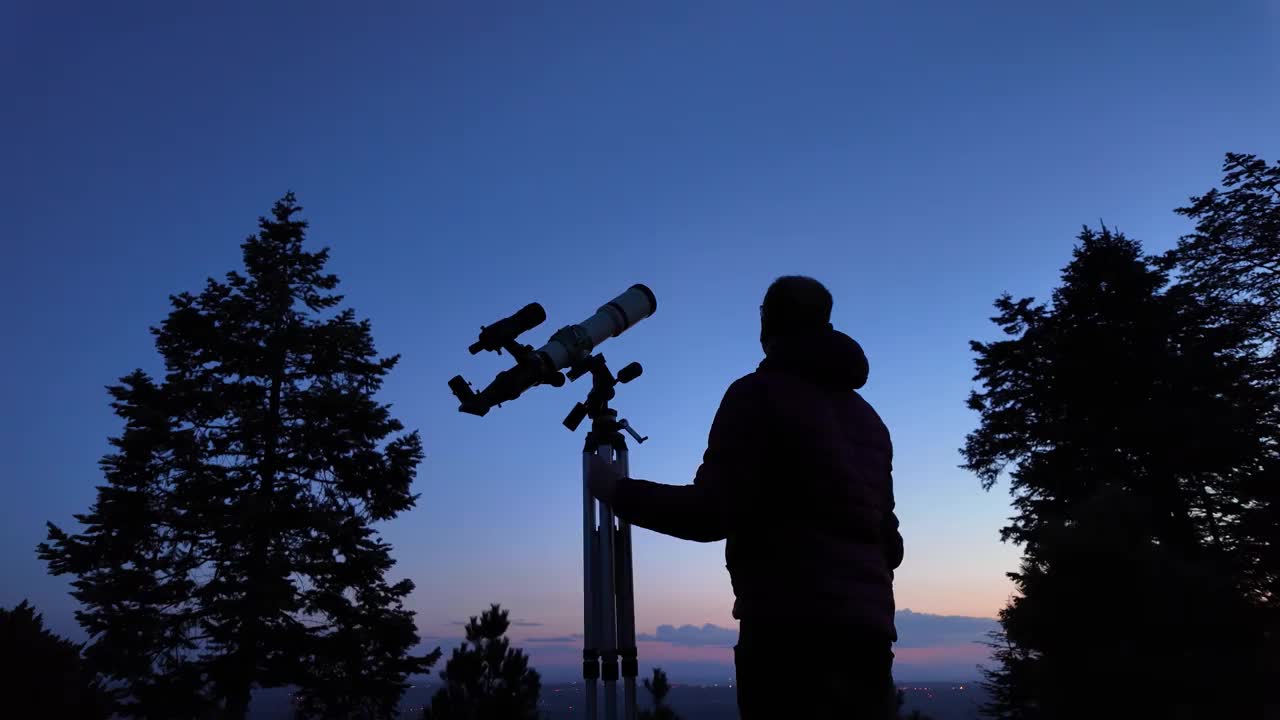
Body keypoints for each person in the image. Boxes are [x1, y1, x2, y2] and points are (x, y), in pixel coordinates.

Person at [589, 275, 903, 720]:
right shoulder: (870, 420)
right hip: (869, 639)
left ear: (766, 322)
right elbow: (891, 546)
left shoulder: (756, 395)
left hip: (788, 636)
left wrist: (616, 490)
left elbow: (710, 514)